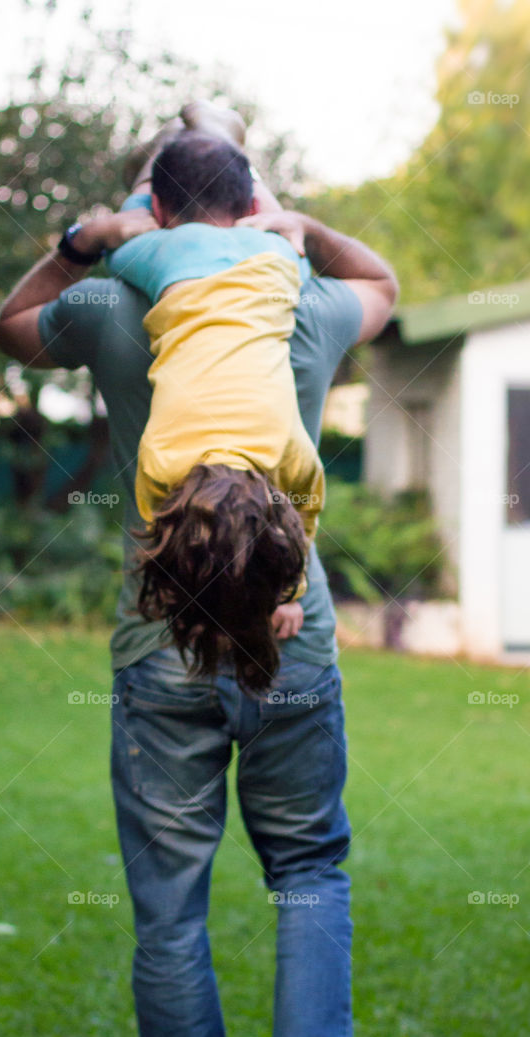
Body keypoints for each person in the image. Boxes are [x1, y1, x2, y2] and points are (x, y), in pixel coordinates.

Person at [0, 102, 399, 1037]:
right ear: (251, 211)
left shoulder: (111, 303)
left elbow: (11, 325)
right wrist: (298, 225)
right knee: (308, 863)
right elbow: (385, 285)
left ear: (159, 210)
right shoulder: (293, 302)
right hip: (290, 628)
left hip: (159, 633)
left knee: (170, 906)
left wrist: (92, 235)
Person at [105, 132, 326, 694]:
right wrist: (291, 595)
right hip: (269, 263)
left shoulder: (286, 455)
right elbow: (301, 520)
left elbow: (300, 514)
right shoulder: (162, 464)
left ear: (160, 211)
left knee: (126, 238)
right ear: (247, 207)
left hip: (229, 263)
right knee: (283, 236)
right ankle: (223, 140)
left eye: (153, 208)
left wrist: (286, 591)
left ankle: (203, 144)